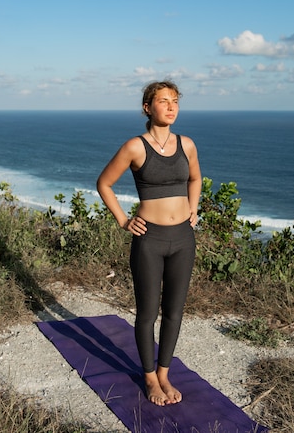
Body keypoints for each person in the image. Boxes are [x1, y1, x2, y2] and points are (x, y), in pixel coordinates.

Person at [96, 80, 202, 407]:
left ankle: (165, 372)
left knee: (174, 311)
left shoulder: (187, 145)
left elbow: (195, 178)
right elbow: (104, 183)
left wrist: (193, 207)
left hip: (183, 238)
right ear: (147, 107)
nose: (171, 107)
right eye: (163, 101)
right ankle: (149, 378)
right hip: (149, 239)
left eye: (175, 101)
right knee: (147, 314)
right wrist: (124, 220)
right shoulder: (135, 147)